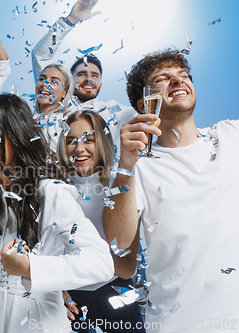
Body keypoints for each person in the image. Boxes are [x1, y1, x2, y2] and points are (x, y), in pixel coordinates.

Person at [0, 94, 114, 333]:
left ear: (16, 137)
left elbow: (101, 264)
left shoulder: (51, 193)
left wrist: (30, 268)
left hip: (38, 320)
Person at [103, 49, 239, 332]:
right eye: (164, 78)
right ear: (145, 103)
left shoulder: (230, 136)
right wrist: (126, 163)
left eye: (183, 75)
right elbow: (118, 242)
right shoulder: (136, 168)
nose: (178, 81)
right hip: (175, 323)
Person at [56, 110, 144, 332]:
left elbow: (126, 268)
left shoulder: (122, 187)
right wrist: (54, 289)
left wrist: (77, 260)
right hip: (69, 301)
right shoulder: (53, 191)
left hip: (118, 295)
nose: (79, 148)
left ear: (102, 142)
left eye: (88, 139)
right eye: (70, 141)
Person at [31, 0, 137, 150]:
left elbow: (138, 116)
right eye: (82, 74)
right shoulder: (55, 101)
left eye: (95, 75)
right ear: (69, 82)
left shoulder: (110, 109)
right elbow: (41, 56)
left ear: (100, 86)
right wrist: (70, 20)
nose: (88, 79)